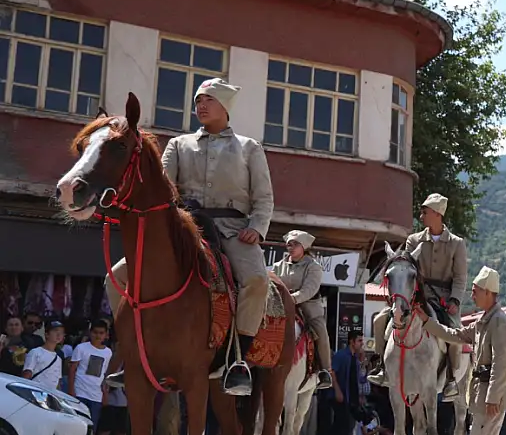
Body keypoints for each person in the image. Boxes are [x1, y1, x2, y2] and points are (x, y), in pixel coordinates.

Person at [104, 78, 274, 396]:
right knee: (115, 276)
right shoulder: (178, 145)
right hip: (184, 227)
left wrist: (257, 227)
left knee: (257, 281)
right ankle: (131, 353)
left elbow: (263, 197)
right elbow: (161, 185)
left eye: (208, 99)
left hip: (234, 229)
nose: (201, 105)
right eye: (198, 100)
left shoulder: (250, 148)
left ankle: (238, 360)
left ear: (225, 106)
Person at [416, 266, 506, 435]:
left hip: (490, 394)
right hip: (481, 391)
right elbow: (455, 334)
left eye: (476, 289)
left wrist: (492, 396)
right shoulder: (484, 321)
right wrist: (427, 322)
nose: (472, 293)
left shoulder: (499, 322)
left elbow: (502, 363)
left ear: (489, 292)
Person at [369, 193, 468, 399]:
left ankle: (450, 379)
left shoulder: (457, 244)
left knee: (455, 332)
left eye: (425, 212)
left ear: (437, 214)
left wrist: (455, 300)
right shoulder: (413, 240)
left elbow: (460, 278)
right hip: (414, 295)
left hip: (444, 297)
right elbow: (405, 267)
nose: (421, 215)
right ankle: (382, 368)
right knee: (380, 320)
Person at [273, 230, 333, 390]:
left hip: (308, 307)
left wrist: (293, 298)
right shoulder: (278, 266)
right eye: (289, 244)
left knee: (321, 330)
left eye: (295, 244)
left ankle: (325, 370)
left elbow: (310, 289)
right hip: (281, 306)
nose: (291, 248)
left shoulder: (314, 267)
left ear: (304, 247)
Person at [22, 320, 66, 391]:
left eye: (61, 332)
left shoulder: (58, 358)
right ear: (47, 334)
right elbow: (27, 374)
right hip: (35, 391)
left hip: (50, 395)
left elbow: (58, 381)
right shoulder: (35, 352)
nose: (58, 334)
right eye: (55, 331)